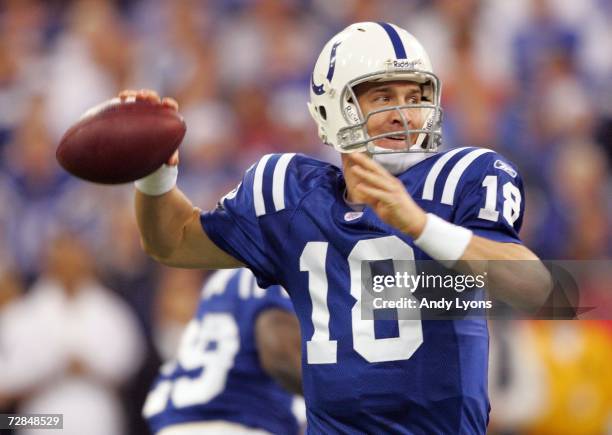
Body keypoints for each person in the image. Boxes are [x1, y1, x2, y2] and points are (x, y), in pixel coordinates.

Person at [126, 22, 552, 434]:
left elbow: (533, 287)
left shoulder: (462, 179)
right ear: (334, 106)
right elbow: (173, 241)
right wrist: (152, 171)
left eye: (415, 96)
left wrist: (421, 226)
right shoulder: (289, 194)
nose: (403, 115)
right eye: (383, 97)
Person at [143, 267, 303, 435]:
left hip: (180, 419)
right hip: (235, 419)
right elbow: (279, 353)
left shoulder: (228, 276)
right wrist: (330, 395)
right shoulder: (273, 272)